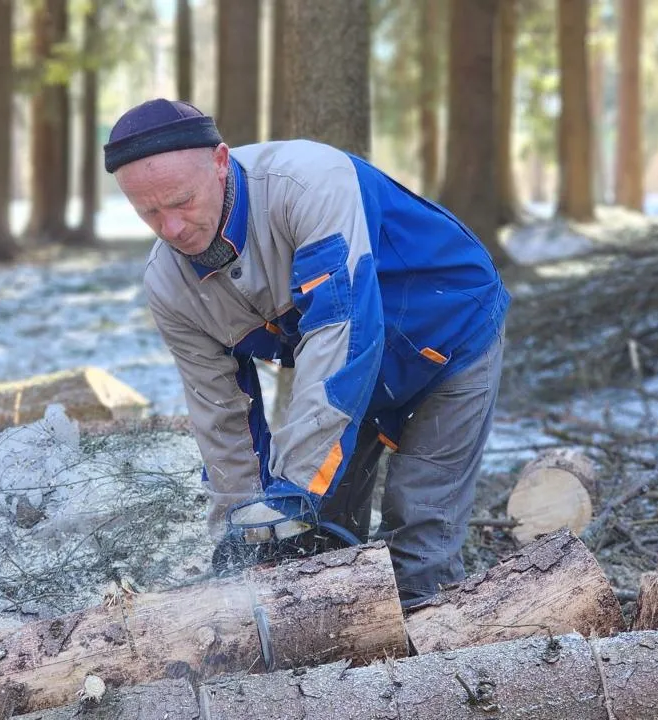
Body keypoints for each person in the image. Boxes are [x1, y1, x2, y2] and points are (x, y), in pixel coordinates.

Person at [103, 98, 509, 608]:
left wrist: (295, 488)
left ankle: (432, 657)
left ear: (221, 161)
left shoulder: (309, 184)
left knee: (419, 522)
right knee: (318, 541)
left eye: (181, 201)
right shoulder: (169, 285)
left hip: (448, 332)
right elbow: (219, 411)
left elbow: (342, 333)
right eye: (148, 213)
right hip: (346, 362)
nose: (172, 229)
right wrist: (242, 522)